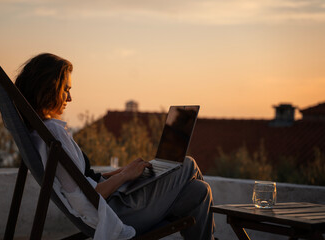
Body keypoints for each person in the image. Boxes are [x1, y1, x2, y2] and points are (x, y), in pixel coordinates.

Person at [15, 53, 215, 240]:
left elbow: (83, 181)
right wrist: (124, 176)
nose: (69, 98)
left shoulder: (40, 133)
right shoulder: (53, 133)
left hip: (112, 204)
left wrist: (124, 171)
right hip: (114, 213)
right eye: (66, 89)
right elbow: (85, 198)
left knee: (198, 191)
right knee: (186, 163)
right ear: (49, 88)